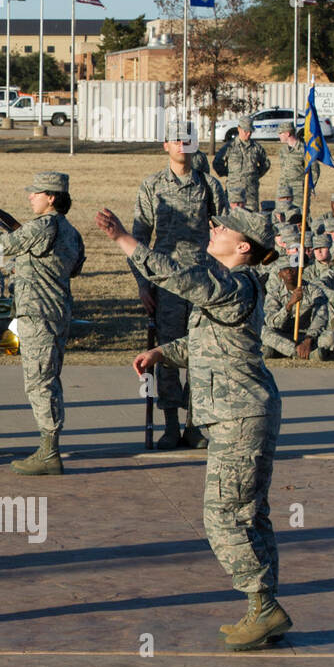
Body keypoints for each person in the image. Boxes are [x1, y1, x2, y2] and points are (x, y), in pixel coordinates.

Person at [97, 205, 290, 651]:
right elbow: (207, 342)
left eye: (223, 227)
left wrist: (126, 240)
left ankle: (264, 607)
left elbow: (178, 278)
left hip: (240, 415)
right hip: (242, 413)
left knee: (223, 515)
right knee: (250, 514)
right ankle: (263, 610)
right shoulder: (233, 287)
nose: (214, 227)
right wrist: (163, 353)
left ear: (243, 247)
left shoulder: (234, 283)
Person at [0, 171, 85, 475]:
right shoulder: (71, 232)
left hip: (37, 314)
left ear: (51, 197)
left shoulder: (43, 226)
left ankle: (49, 452)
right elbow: (74, 267)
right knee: (50, 379)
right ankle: (50, 447)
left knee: (39, 383)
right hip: (58, 312)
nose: (30, 196)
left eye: (36, 193)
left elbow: (1, 248)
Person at [131, 120, 227, 450]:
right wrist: (144, 284)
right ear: (166, 146)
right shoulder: (152, 186)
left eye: (187, 140)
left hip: (203, 281)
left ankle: (195, 425)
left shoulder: (209, 186)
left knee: (202, 351)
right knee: (168, 353)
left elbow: (224, 232)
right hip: (167, 283)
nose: (181, 145)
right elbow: (139, 239)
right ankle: (171, 424)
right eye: (175, 140)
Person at [261, 260, 331, 360]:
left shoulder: (315, 291)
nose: (289, 271)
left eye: (292, 269)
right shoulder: (274, 294)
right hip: (284, 336)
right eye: (285, 269)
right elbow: (272, 323)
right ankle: (299, 352)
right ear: (280, 274)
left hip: (307, 335)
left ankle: (281, 351)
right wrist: (289, 305)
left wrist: (308, 339)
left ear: (300, 271)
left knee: (330, 338)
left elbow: (321, 317)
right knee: (264, 331)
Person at [212, 117, 270, 211]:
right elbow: (217, 163)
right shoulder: (230, 147)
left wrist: (255, 175)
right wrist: (230, 174)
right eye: (245, 131)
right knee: (232, 218)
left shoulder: (256, 148)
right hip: (234, 192)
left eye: (250, 131)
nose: (248, 134)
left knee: (252, 218)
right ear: (239, 129)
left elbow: (266, 164)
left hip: (251, 193)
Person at [276, 120, 319, 196]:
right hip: (284, 189)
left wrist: (310, 187)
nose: (279, 136)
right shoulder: (283, 151)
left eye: (281, 133)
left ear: (287, 134)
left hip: (299, 191)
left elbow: (315, 169)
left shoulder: (304, 150)